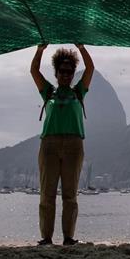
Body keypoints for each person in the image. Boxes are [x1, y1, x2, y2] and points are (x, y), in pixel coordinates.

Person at [29, 43, 94, 246]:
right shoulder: (48, 92)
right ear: (56, 73)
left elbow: (90, 68)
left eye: (70, 71)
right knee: (47, 193)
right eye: (62, 71)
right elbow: (33, 71)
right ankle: (46, 238)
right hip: (49, 144)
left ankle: (68, 237)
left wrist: (81, 48)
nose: (66, 75)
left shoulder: (79, 92)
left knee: (70, 194)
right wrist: (40, 50)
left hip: (74, 144)